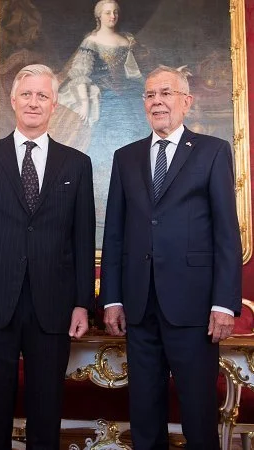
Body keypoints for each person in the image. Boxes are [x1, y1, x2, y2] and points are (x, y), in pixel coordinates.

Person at [0, 64, 95, 449]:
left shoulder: (76, 163)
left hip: (54, 304)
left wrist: (82, 303)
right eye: (26, 94)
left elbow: (82, 240)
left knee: (46, 409)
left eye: (42, 95)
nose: (33, 102)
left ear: (54, 104)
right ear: (12, 101)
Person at [100, 66, 242, 449]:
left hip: (195, 306)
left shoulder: (212, 151)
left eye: (166, 92)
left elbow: (227, 232)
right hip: (139, 305)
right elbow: (114, 232)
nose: (157, 101)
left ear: (186, 102)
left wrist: (224, 303)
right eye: (150, 95)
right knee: (144, 412)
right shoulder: (125, 157)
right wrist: (112, 297)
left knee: (198, 413)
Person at [57, 0, 148, 245]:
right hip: (104, 98)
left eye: (115, 12)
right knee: (102, 147)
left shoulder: (125, 41)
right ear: (99, 16)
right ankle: (101, 208)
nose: (113, 16)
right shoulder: (91, 41)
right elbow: (80, 74)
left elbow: (134, 74)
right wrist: (86, 102)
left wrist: (153, 85)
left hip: (127, 97)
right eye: (107, 12)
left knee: (138, 144)